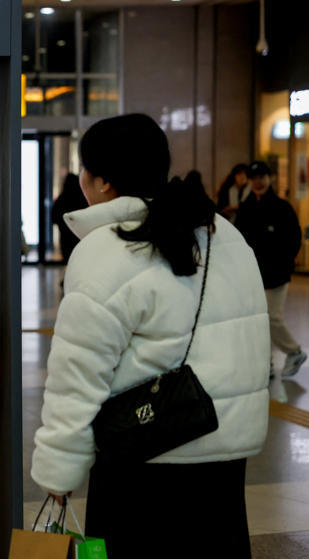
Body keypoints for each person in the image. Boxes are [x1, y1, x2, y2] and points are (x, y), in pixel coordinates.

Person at [31, 114, 269, 559]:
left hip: (142, 463)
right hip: (224, 462)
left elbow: (78, 373)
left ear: (101, 181)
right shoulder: (223, 234)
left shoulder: (106, 249)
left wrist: (58, 471)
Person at [235, 161, 307, 379]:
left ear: (270, 178)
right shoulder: (246, 209)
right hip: (253, 275)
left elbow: (294, 239)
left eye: (262, 177)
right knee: (258, 319)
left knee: (270, 317)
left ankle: (293, 351)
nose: (258, 182)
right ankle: (265, 363)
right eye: (253, 178)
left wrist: (285, 263)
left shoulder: (282, 208)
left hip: (277, 274)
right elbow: (238, 240)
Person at [51, 173, 89, 263]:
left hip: (65, 236)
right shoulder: (82, 199)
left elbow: (54, 217)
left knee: (68, 260)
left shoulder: (62, 199)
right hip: (80, 235)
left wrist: (62, 224)